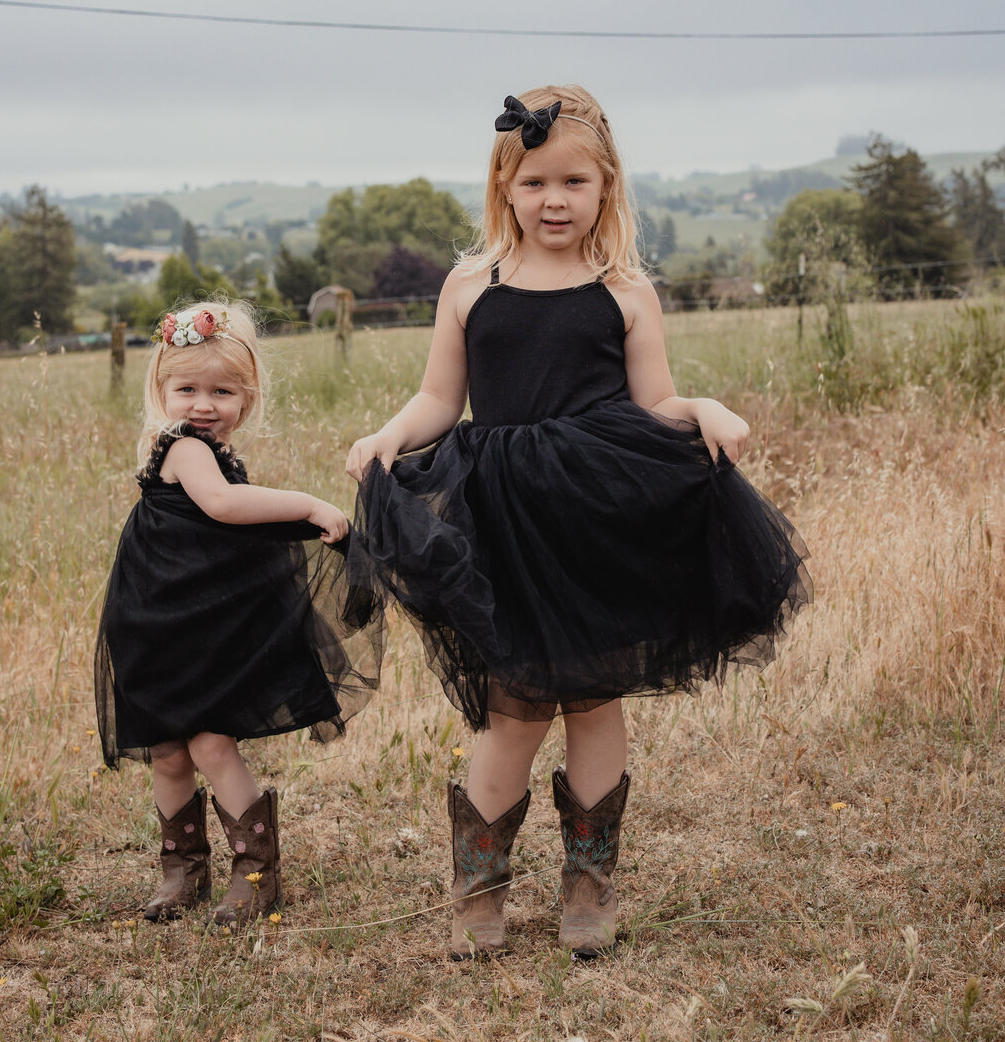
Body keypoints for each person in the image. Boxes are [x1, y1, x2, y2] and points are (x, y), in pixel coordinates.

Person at [347, 86, 810, 961]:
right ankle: (477, 893)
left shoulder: (624, 291)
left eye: (574, 182)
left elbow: (655, 402)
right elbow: (440, 399)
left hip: (596, 517)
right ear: (503, 188)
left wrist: (703, 408)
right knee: (512, 712)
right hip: (504, 526)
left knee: (595, 704)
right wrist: (387, 436)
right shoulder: (470, 287)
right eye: (534, 183)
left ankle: (587, 886)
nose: (553, 200)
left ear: (606, 188)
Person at [96, 300, 381, 924]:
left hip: (192, 621)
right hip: (156, 618)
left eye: (222, 391)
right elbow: (224, 507)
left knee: (207, 741)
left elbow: (230, 524)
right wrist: (308, 505)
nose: (204, 404)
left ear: (245, 400)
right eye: (187, 389)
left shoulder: (214, 450)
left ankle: (254, 870)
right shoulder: (182, 449)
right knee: (168, 749)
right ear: (161, 391)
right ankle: (182, 867)